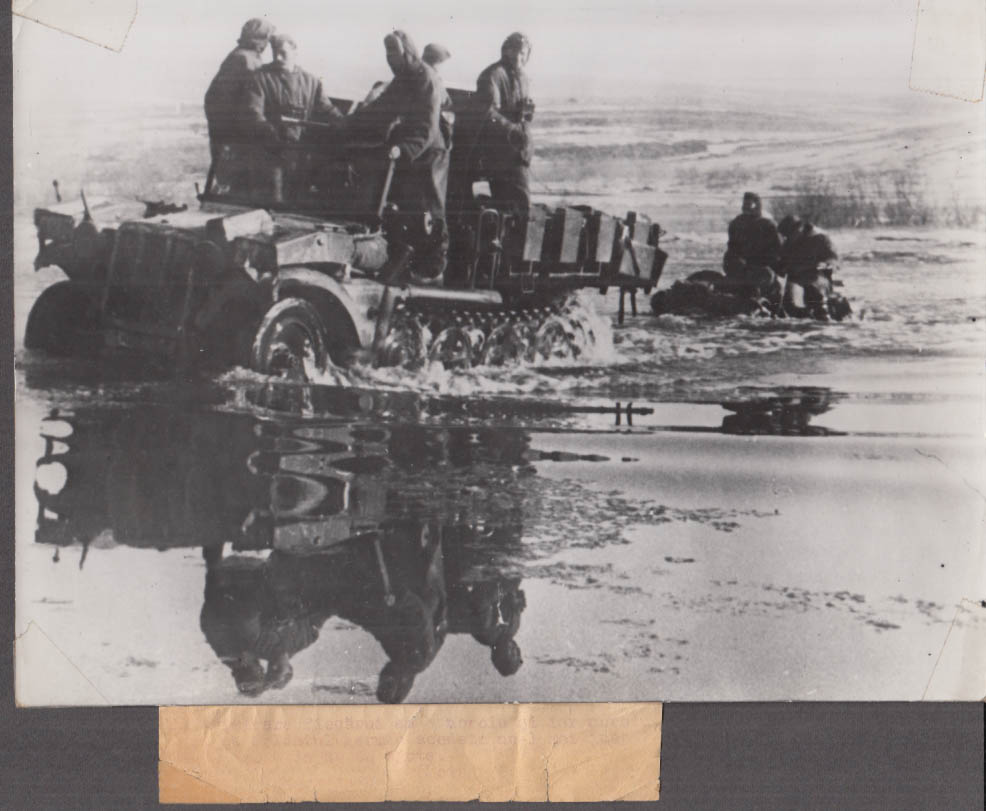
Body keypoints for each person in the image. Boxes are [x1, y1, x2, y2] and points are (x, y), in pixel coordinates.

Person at [353, 30, 451, 283]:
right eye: (387, 53)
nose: (390, 58)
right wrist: (349, 124)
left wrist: (404, 149)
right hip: (406, 150)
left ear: (407, 53)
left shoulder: (425, 78)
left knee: (429, 207)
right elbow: (381, 110)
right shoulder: (402, 80)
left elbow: (427, 127)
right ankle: (401, 261)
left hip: (429, 151)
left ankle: (434, 268)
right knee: (399, 206)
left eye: (394, 52)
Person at [244, 34, 345, 201]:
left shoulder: (311, 81)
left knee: (299, 205)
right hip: (271, 154)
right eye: (275, 52)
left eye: (283, 52)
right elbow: (253, 113)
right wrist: (269, 133)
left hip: (301, 155)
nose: (278, 57)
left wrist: (342, 122)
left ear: (295, 51)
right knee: (273, 202)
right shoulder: (260, 78)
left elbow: (325, 108)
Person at [204, 18, 275, 188]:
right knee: (235, 182)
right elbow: (222, 100)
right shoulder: (243, 59)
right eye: (267, 39)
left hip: (231, 132)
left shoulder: (244, 56)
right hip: (232, 134)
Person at [474, 32, 534, 210]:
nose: (519, 56)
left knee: (515, 202)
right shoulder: (492, 75)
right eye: (515, 51)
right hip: (500, 151)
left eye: (523, 53)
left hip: (518, 151)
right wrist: (513, 130)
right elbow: (488, 113)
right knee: (517, 201)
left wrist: (527, 113)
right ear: (505, 51)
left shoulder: (522, 77)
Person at [721, 192, 783, 305]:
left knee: (767, 277)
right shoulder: (736, 223)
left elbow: (777, 250)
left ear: (757, 204)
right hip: (741, 266)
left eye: (750, 203)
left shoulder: (768, 224)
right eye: (745, 203)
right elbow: (732, 247)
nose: (747, 206)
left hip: (762, 266)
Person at [778, 215, 839, 318]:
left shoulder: (820, 239)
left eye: (790, 234)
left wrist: (824, 264)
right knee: (786, 298)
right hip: (796, 280)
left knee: (814, 293)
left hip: (818, 278)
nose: (787, 238)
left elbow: (833, 260)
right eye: (786, 235)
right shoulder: (789, 243)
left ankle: (822, 315)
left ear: (799, 228)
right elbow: (781, 264)